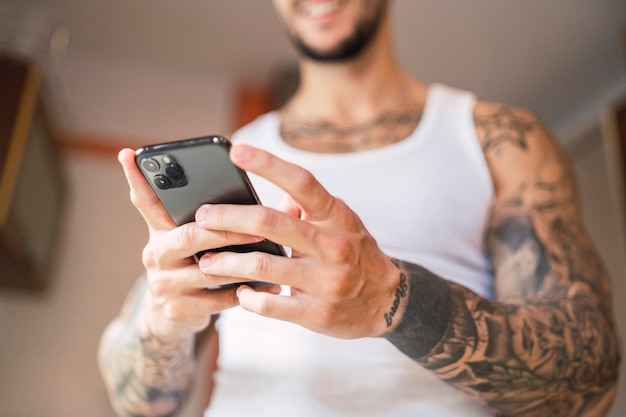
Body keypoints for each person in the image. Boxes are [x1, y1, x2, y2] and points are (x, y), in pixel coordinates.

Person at [99, 1, 621, 416]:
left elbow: (590, 384)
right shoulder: (237, 159)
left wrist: (395, 302)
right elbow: (135, 403)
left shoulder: (501, 140)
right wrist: (161, 321)